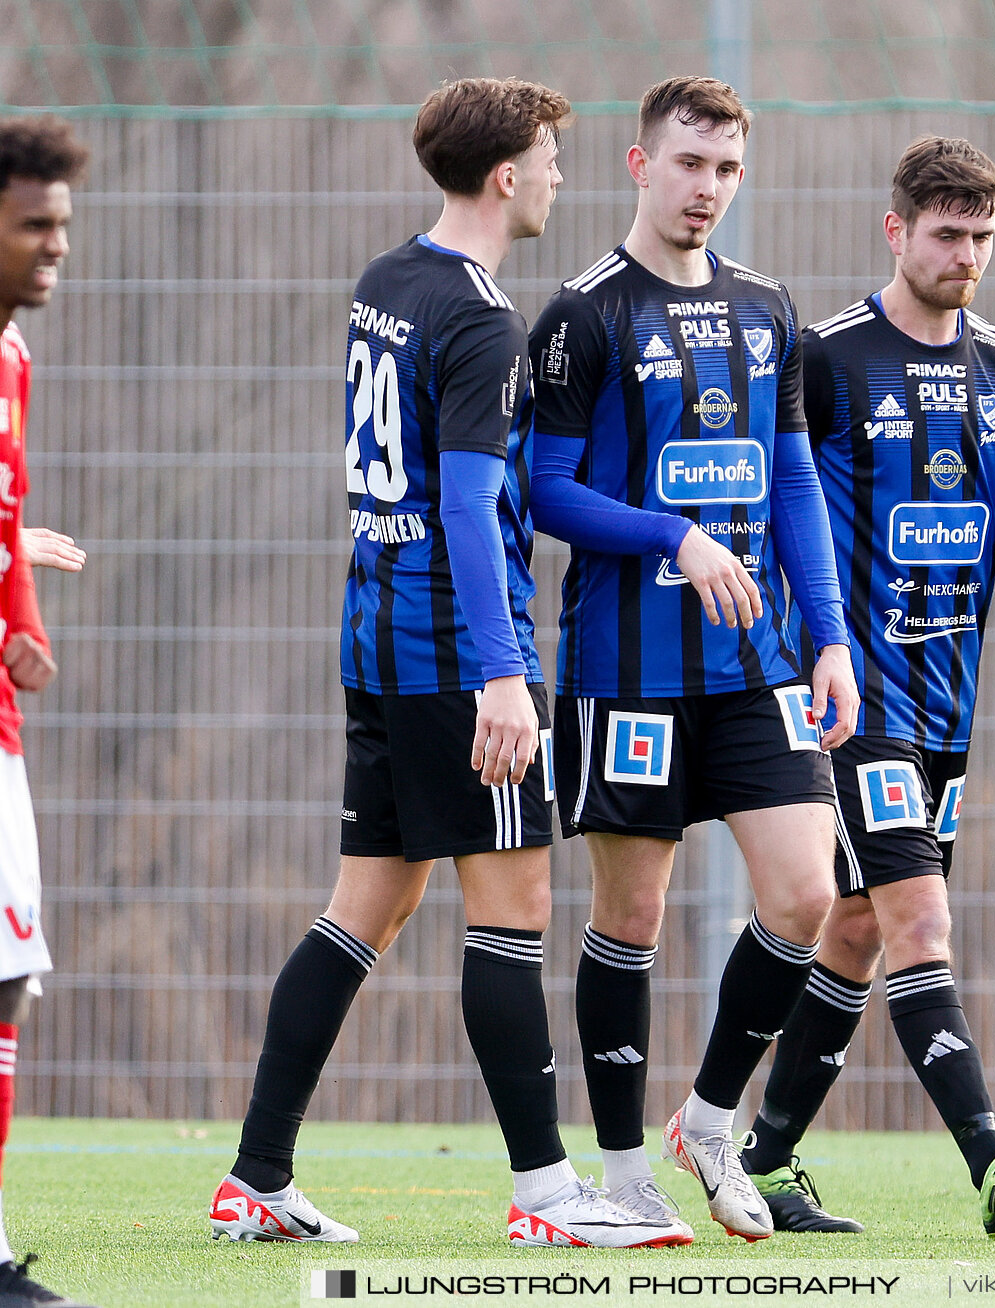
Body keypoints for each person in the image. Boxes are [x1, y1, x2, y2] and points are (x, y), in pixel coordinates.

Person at [211, 77, 686, 1251]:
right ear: (507, 176)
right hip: (450, 656)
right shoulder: (479, 317)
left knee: (365, 904)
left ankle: (255, 1178)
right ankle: (545, 1196)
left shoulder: (389, 280)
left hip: (375, 643)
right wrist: (503, 674)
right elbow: (472, 512)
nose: (564, 175)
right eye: (552, 157)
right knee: (515, 903)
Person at [527, 76, 857, 1244]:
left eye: (725, 170)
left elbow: (798, 479)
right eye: (688, 165)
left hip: (759, 665)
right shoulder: (582, 316)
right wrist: (674, 532)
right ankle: (622, 1172)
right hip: (628, 671)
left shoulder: (771, 310)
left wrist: (828, 636)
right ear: (638, 164)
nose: (707, 189)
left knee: (808, 893)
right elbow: (544, 490)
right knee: (634, 916)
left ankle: (710, 1121)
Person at [736, 137, 995, 1239]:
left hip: (947, 709)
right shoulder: (827, 357)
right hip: (850, 697)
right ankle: (992, 1159)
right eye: (946, 234)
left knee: (854, 932)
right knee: (918, 915)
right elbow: (782, 500)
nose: (966, 255)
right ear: (897, 231)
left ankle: (761, 1159)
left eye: (982, 236)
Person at [0, 113, 97, 1308]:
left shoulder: (13, 360)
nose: (54, 248)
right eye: (34, 226)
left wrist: (21, 619)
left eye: (63, 226)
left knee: (8, 977)